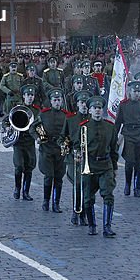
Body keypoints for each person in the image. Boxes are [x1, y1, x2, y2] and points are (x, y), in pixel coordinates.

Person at [82, 94, 119, 238]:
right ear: (89, 110)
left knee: (108, 195)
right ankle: (92, 225)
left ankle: (107, 227)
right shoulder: (84, 127)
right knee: (88, 198)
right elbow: (78, 146)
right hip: (89, 165)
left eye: (99, 108)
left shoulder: (110, 127)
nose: (97, 110)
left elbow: (114, 149)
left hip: (105, 165)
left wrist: (114, 167)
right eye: (94, 108)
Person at [114, 79, 140, 198]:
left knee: (139, 163)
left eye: (138, 91)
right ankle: (127, 185)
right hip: (128, 134)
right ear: (129, 92)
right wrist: (114, 137)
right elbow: (118, 122)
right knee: (129, 162)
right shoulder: (123, 105)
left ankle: (137, 188)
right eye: (134, 91)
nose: (136, 93)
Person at [32, 88, 68, 212]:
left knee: (59, 178)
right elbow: (34, 127)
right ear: (51, 101)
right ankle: (46, 201)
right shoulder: (44, 114)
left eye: (59, 100)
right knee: (49, 176)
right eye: (55, 100)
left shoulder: (66, 115)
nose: (57, 102)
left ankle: (56, 203)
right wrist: (37, 138)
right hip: (47, 149)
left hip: (60, 151)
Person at [61, 90, 90, 225]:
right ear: (77, 104)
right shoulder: (71, 119)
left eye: (86, 103)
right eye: (82, 103)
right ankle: (76, 211)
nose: (84, 105)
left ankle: (84, 213)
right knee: (77, 185)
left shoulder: (93, 120)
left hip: (89, 157)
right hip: (75, 156)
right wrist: (65, 145)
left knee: (87, 186)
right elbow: (63, 137)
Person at [13, 83, 40, 201]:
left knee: (29, 167)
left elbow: (39, 125)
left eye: (32, 95)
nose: (30, 97)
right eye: (28, 95)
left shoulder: (36, 110)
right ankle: (17, 188)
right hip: (19, 141)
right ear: (23, 96)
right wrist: (9, 128)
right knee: (19, 166)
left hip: (30, 142)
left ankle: (26, 192)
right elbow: (7, 121)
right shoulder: (17, 108)